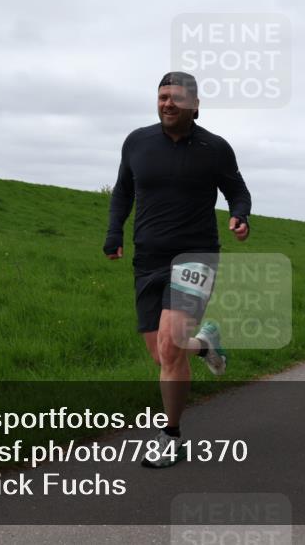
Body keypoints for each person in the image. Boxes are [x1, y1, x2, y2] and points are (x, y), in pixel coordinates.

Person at [104, 71, 251, 468]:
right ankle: (206, 344)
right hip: (148, 259)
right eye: (162, 96)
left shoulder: (215, 148)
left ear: (195, 105)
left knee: (170, 346)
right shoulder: (137, 142)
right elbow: (123, 191)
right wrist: (114, 232)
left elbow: (237, 191)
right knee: (162, 355)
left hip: (195, 256)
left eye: (176, 97)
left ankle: (170, 436)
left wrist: (240, 216)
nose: (168, 103)